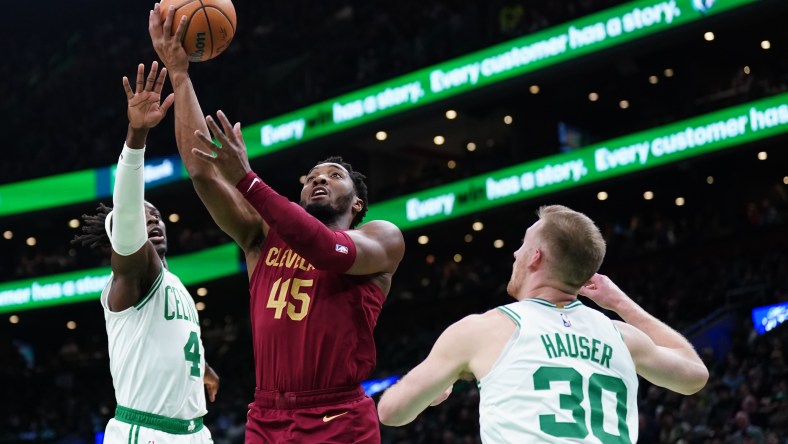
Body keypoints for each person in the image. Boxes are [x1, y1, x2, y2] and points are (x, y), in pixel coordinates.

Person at [149, 5, 406, 442]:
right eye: (311, 177)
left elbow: (326, 250)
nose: (319, 179)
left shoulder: (380, 237)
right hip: (267, 416)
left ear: (358, 204)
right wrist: (180, 74)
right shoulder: (264, 234)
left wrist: (247, 179)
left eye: (333, 175)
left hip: (337, 414)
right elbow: (201, 171)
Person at [378, 205, 709, 443]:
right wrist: (619, 302)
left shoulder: (484, 330)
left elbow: (392, 412)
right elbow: (694, 374)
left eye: (522, 245)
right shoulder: (621, 335)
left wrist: (434, 383)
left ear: (535, 256)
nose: (515, 254)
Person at [72, 62, 219, 443]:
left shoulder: (173, 283)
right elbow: (128, 211)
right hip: (146, 433)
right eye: (141, 216)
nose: (150, 220)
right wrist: (136, 136)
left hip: (196, 432)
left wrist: (202, 365)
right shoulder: (134, 277)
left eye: (156, 214)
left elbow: (173, 339)